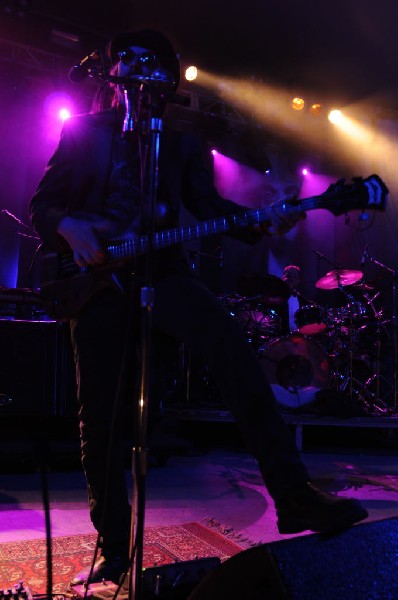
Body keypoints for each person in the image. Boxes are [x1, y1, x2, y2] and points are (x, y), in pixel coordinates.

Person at [30, 29, 368, 587]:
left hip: (162, 273)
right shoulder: (83, 130)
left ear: (166, 79)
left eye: (151, 63)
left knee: (230, 347)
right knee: (101, 420)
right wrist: (67, 225)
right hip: (90, 285)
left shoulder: (182, 143)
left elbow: (208, 208)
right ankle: (114, 550)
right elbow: (43, 204)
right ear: (114, 76)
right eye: (127, 62)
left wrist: (262, 219)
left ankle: (293, 495)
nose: (137, 72)